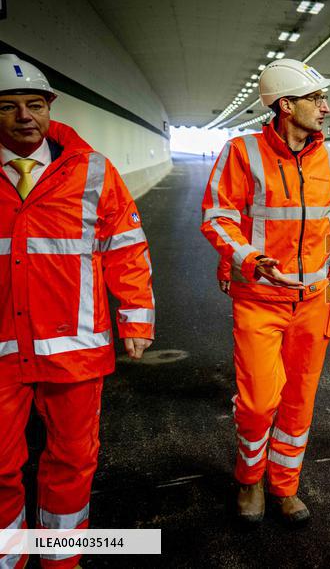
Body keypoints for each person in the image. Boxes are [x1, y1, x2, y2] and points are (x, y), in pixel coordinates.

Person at [0, 53, 155, 568]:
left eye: (35, 104)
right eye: (8, 106)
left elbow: (126, 245)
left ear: (49, 109)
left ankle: (61, 558)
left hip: (76, 346)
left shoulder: (91, 171)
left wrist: (135, 315)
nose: (25, 116)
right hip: (2, 349)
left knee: (72, 459)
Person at [200, 58, 330, 525]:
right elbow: (217, 217)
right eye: (315, 98)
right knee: (259, 400)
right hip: (260, 299)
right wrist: (251, 261)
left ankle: (284, 485)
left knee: (299, 401)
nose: (325, 107)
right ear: (286, 105)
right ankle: (249, 480)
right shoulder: (242, 152)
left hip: (313, 302)